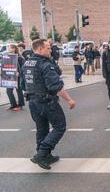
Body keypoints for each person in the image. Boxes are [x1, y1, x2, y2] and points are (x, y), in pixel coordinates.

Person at [22, 39, 76, 170]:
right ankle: (42, 153)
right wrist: (69, 100)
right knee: (60, 127)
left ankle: (45, 155)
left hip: (33, 102)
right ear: (40, 49)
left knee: (42, 129)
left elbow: (23, 85)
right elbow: (55, 85)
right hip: (47, 101)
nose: (50, 50)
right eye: (48, 48)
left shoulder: (27, 64)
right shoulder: (45, 65)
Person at [5, 44, 25, 111]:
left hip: (18, 77)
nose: (8, 49)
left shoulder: (19, 58)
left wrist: (19, 72)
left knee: (19, 91)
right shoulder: (7, 57)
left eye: (9, 47)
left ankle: (20, 105)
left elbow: (24, 67)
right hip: (10, 77)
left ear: (13, 49)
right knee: (8, 91)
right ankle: (13, 105)